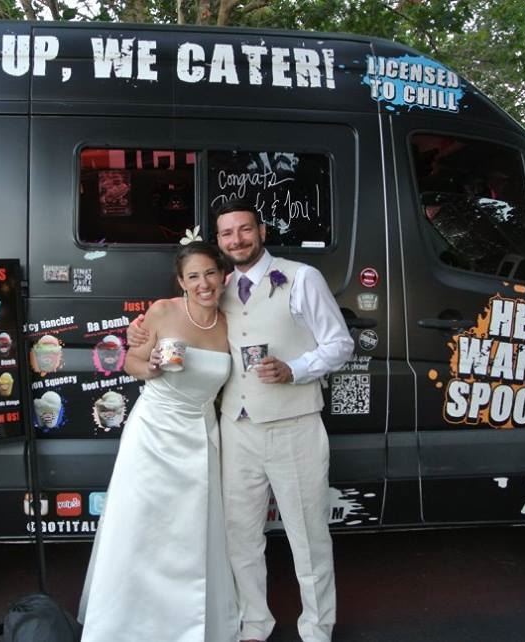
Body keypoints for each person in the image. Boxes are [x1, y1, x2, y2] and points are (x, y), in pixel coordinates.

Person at [128, 198, 354, 642]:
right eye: (228, 233)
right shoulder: (219, 287)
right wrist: (141, 330)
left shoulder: (301, 278)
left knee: (308, 537)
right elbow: (179, 316)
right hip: (236, 428)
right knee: (240, 537)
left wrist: (296, 369)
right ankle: (254, 623)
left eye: (245, 229)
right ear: (219, 241)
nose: (237, 239)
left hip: (294, 426)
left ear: (261, 231)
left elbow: (340, 344)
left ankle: (316, 628)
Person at [78, 241, 239, 642]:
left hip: (201, 434)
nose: (203, 283)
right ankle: (126, 626)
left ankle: (191, 626)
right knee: (142, 528)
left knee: (191, 532)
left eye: (210, 273)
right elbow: (131, 361)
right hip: (153, 432)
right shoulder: (163, 311)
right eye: (193, 276)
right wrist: (148, 366)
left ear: (223, 276)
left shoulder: (232, 321)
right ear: (181, 282)